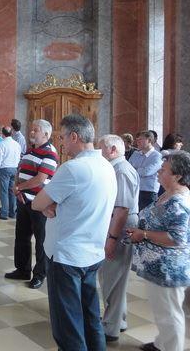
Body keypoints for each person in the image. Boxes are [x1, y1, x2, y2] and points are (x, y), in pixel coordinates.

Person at [32, 114, 117, 351]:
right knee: (91, 319)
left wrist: (50, 205)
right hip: (92, 253)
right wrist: (53, 205)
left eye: (62, 137)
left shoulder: (72, 168)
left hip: (67, 257)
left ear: (74, 137)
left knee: (68, 327)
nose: (61, 143)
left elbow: (37, 203)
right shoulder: (107, 166)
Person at [127, 151, 190, 351]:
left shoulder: (179, 202)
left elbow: (177, 238)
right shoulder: (168, 193)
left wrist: (144, 234)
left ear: (177, 176)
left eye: (163, 170)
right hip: (158, 267)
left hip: (169, 269)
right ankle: (162, 344)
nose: (158, 173)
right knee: (162, 311)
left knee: (170, 314)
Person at [5, 119, 59, 289]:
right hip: (23, 200)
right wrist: (17, 188)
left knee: (41, 240)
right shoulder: (30, 150)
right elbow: (20, 170)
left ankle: (39, 274)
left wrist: (19, 187)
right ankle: (22, 270)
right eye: (32, 129)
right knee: (21, 237)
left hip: (40, 203)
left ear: (46, 134)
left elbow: (40, 179)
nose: (32, 132)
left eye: (36, 130)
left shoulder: (50, 153)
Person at [97, 134, 140, 343]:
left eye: (101, 148)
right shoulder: (115, 168)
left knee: (112, 278)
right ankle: (118, 320)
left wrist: (112, 238)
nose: (98, 152)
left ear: (112, 150)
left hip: (120, 227)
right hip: (116, 224)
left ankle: (110, 328)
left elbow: (122, 209)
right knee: (115, 278)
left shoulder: (121, 170)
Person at [129, 131, 163, 211]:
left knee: (147, 215)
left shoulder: (157, 156)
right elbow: (128, 169)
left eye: (140, 139)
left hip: (148, 192)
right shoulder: (135, 154)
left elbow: (146, 172)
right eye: (137, 139)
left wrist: (134, 170)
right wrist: (138, 170)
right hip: (134, 190)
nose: (137, 142)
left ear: (149, 140)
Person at [0, 126, 21, 220]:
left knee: (4, 192)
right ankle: (12, 213)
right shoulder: (17, 144)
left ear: (2, 133)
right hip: (14, 169)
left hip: (4, 169)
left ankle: (4, 213)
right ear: (11, 133)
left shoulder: (2, 144)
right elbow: (18, 157)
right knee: (12, 191)